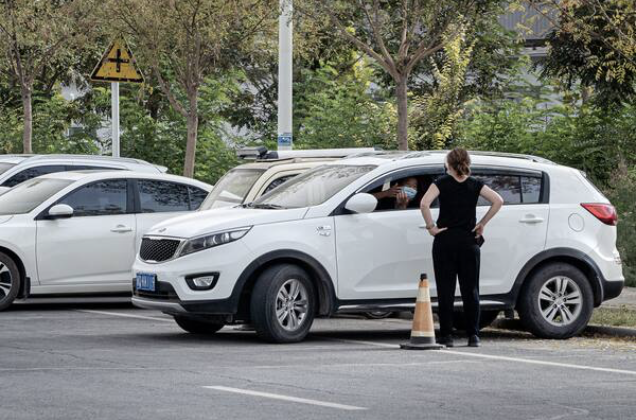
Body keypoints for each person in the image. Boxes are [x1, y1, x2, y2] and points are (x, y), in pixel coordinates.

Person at [420, 148, 503, 348]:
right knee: (471, 289)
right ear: (468, 163)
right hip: (469, 240)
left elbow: (424, 204)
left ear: (447, 163)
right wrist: (482, 223)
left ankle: (447, 335)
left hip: (445, 241)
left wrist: (432, 227)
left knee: (445, 289)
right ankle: (473, 335)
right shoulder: (475, 184)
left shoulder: (440, 183)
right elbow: (498, 201)